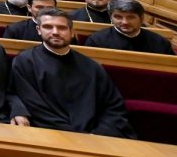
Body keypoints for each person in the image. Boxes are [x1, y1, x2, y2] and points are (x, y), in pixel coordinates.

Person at [11, 9, 135, 138]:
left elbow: (112, 106)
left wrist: (100, 133)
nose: (55, 32)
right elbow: (36, 109)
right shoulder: (25, 62)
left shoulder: (91, 66)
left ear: (71, 32)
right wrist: (77, 136)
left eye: (62, 28)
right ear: (38, 30)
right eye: (48, 27)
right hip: (49, 135)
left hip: (95, 137)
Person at [85, 0, 176, 55]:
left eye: (131, 17)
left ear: (141, 18)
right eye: (118, 17)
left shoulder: (160, 42)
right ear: (111, 18)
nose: (125, 22)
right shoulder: (96, 41)